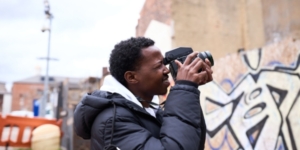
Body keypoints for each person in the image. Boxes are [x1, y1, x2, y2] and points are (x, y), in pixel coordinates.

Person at [74, 37, 213, 150]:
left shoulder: (149, 110)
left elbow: (191, 145)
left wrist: (189, 90)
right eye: (159, 66)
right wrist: (184, 89)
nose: (167, 70)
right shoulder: (113, 121)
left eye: (164, 64)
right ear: (132, 77)